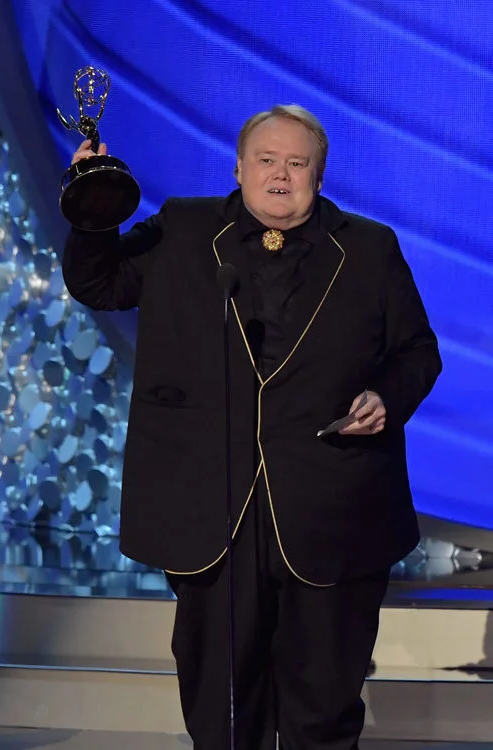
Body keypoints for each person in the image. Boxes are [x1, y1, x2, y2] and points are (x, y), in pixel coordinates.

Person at [63, 105, 442, 750]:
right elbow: (101, 284)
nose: (279, 175)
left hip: (331, 506)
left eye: (296, 163)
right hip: (212, 506)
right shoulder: (184, 229)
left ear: (319, 177)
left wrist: (386, 396)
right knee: (223, 706)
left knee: (323, 704)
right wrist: (91, 205)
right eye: (266, 160)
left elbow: (417, 351)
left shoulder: (368, 248)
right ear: (239, 168)